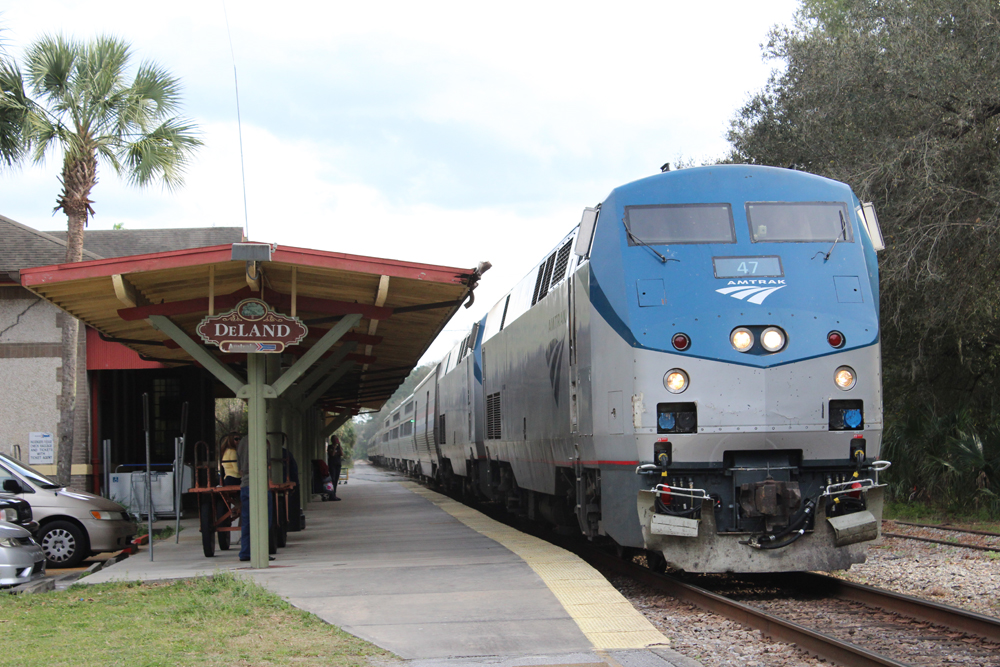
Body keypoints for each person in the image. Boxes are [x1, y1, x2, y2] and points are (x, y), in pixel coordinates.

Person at [237, 435, 274, 562]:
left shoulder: (241, 442)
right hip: (260, 484)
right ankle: (261, 551)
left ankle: (245, 552)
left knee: (247, 521)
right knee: (264, 520)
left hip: (245, 484)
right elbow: (267, 463)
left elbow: (238, 466)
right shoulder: (262, 441)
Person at [327, 436, 343, 501]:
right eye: (335, 439)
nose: (336, 440)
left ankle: (334, 494)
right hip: (332, 465)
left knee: (336, 480)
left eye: (337, 439)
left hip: (338, 465)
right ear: (332, 440)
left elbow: (341, 454)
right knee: (332, 479)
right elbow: (332, 454)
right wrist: (334, 448)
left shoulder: (339, 447)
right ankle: (331, 495)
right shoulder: (329, 447)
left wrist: (339, 445)